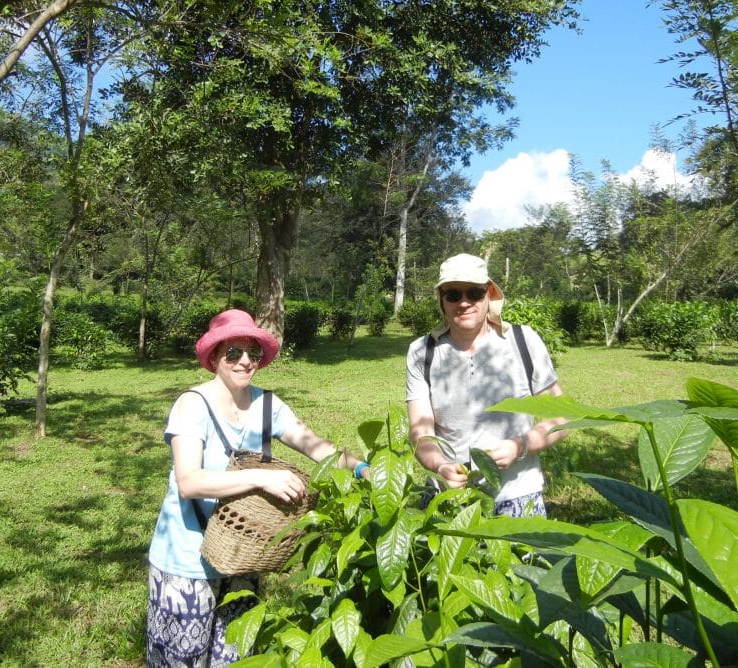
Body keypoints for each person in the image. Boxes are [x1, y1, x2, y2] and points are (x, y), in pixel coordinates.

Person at [146, 308, 371, 667]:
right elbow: (190, 482)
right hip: (186, 560)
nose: (244, 361)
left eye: (252, 353)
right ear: (215, 357)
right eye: (233, 353)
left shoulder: (268, 405)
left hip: (242, 555)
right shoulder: (192, 405)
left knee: (234, 656)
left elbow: (317, 447)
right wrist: (262, 477)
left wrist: (362, 469)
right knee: (180, 659)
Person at [405, 254, 568, 518]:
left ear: (489, 294)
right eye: (453, 295)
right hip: (447, 497)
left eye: (474, 293)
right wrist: (441, 466)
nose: (464, 302)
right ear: (441, 300)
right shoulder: (422, 351)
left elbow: (561, 418)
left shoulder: (523, 341)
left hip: (516, 496)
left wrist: (520, 446)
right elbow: (420, 430)